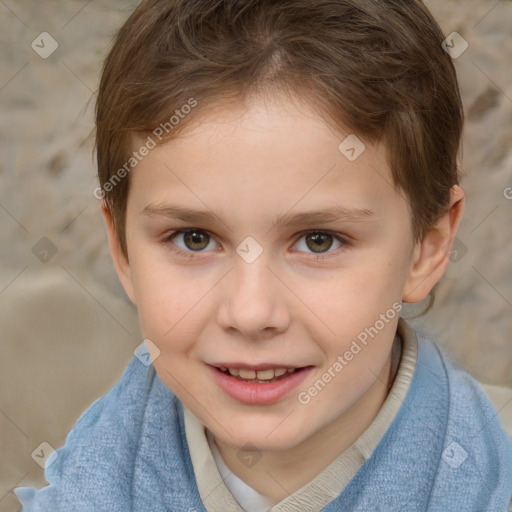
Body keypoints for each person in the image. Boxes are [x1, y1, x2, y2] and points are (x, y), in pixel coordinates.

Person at [15, 0, 512, 510]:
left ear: (426, 249)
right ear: (121, 248)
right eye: (194, 239)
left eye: (319, 240)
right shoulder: (80, 488)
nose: (251, 313)